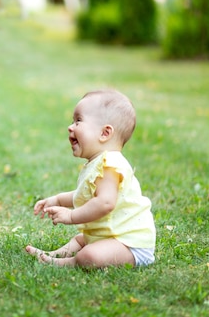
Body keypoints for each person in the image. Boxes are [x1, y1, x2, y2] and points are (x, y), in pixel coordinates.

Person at [25, 89, 155, 268]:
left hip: (130, 245)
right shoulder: (98, 163)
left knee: (89, 255)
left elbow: (104, 203)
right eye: (72, 121)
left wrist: (71, 216)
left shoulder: (111, 164)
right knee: (81, 239)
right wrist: (56, 200)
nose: (71, 127)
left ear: (104, 133)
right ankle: (53, 255)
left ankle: (65, 263)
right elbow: (83, 195)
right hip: (111, 237)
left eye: (79, 120)